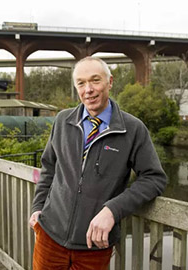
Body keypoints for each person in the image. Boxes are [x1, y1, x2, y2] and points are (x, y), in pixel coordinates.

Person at [29, 56, 167, 270]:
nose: (88, 90)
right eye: (81, 83)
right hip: (49, 236)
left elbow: (154, 179)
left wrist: (113, 209)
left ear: (110, 82)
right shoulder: (63, 121)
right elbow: (49, 167)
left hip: (94, 244)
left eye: (95, 80)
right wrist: (37, 207)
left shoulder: (133, 129)